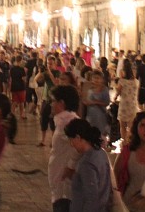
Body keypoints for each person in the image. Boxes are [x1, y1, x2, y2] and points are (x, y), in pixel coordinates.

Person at [114, 111, 145, 210]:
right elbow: (114, 178)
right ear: (136, 129)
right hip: (129, 206)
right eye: (142, 125)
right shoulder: (128, 152)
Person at [66, 118, 112, 212]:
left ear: (78, 137)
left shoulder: (86, 163)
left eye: (71, 140)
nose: (71, 144)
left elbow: (91, 198)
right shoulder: (101, 153)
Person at [49, 84, 81, 212]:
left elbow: (80, 146)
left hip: (64, 184)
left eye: (53, 101)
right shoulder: (64, 121)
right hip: (60, 179)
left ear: (61, 103)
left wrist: (70, 166)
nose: (51, 104)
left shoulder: (68, 123)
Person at [83, 70, 111, 140]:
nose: (96, 80)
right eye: (94, 78)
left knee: (100, 135)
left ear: (102, 79)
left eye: (98, 78)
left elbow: (107, 102)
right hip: (90, 115)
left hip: (101, 116)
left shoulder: (104, 89)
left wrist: (95, 102)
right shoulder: (89, 88)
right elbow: (85, 100)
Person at [116, 58, 139, 141]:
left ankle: (124, 141)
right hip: (133, 105)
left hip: (124, 105)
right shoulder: (136, 82)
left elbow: (118, 92)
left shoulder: (122, 81)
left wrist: (115, 98)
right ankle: (130, 141)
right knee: (131, 126)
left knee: (122, 125)